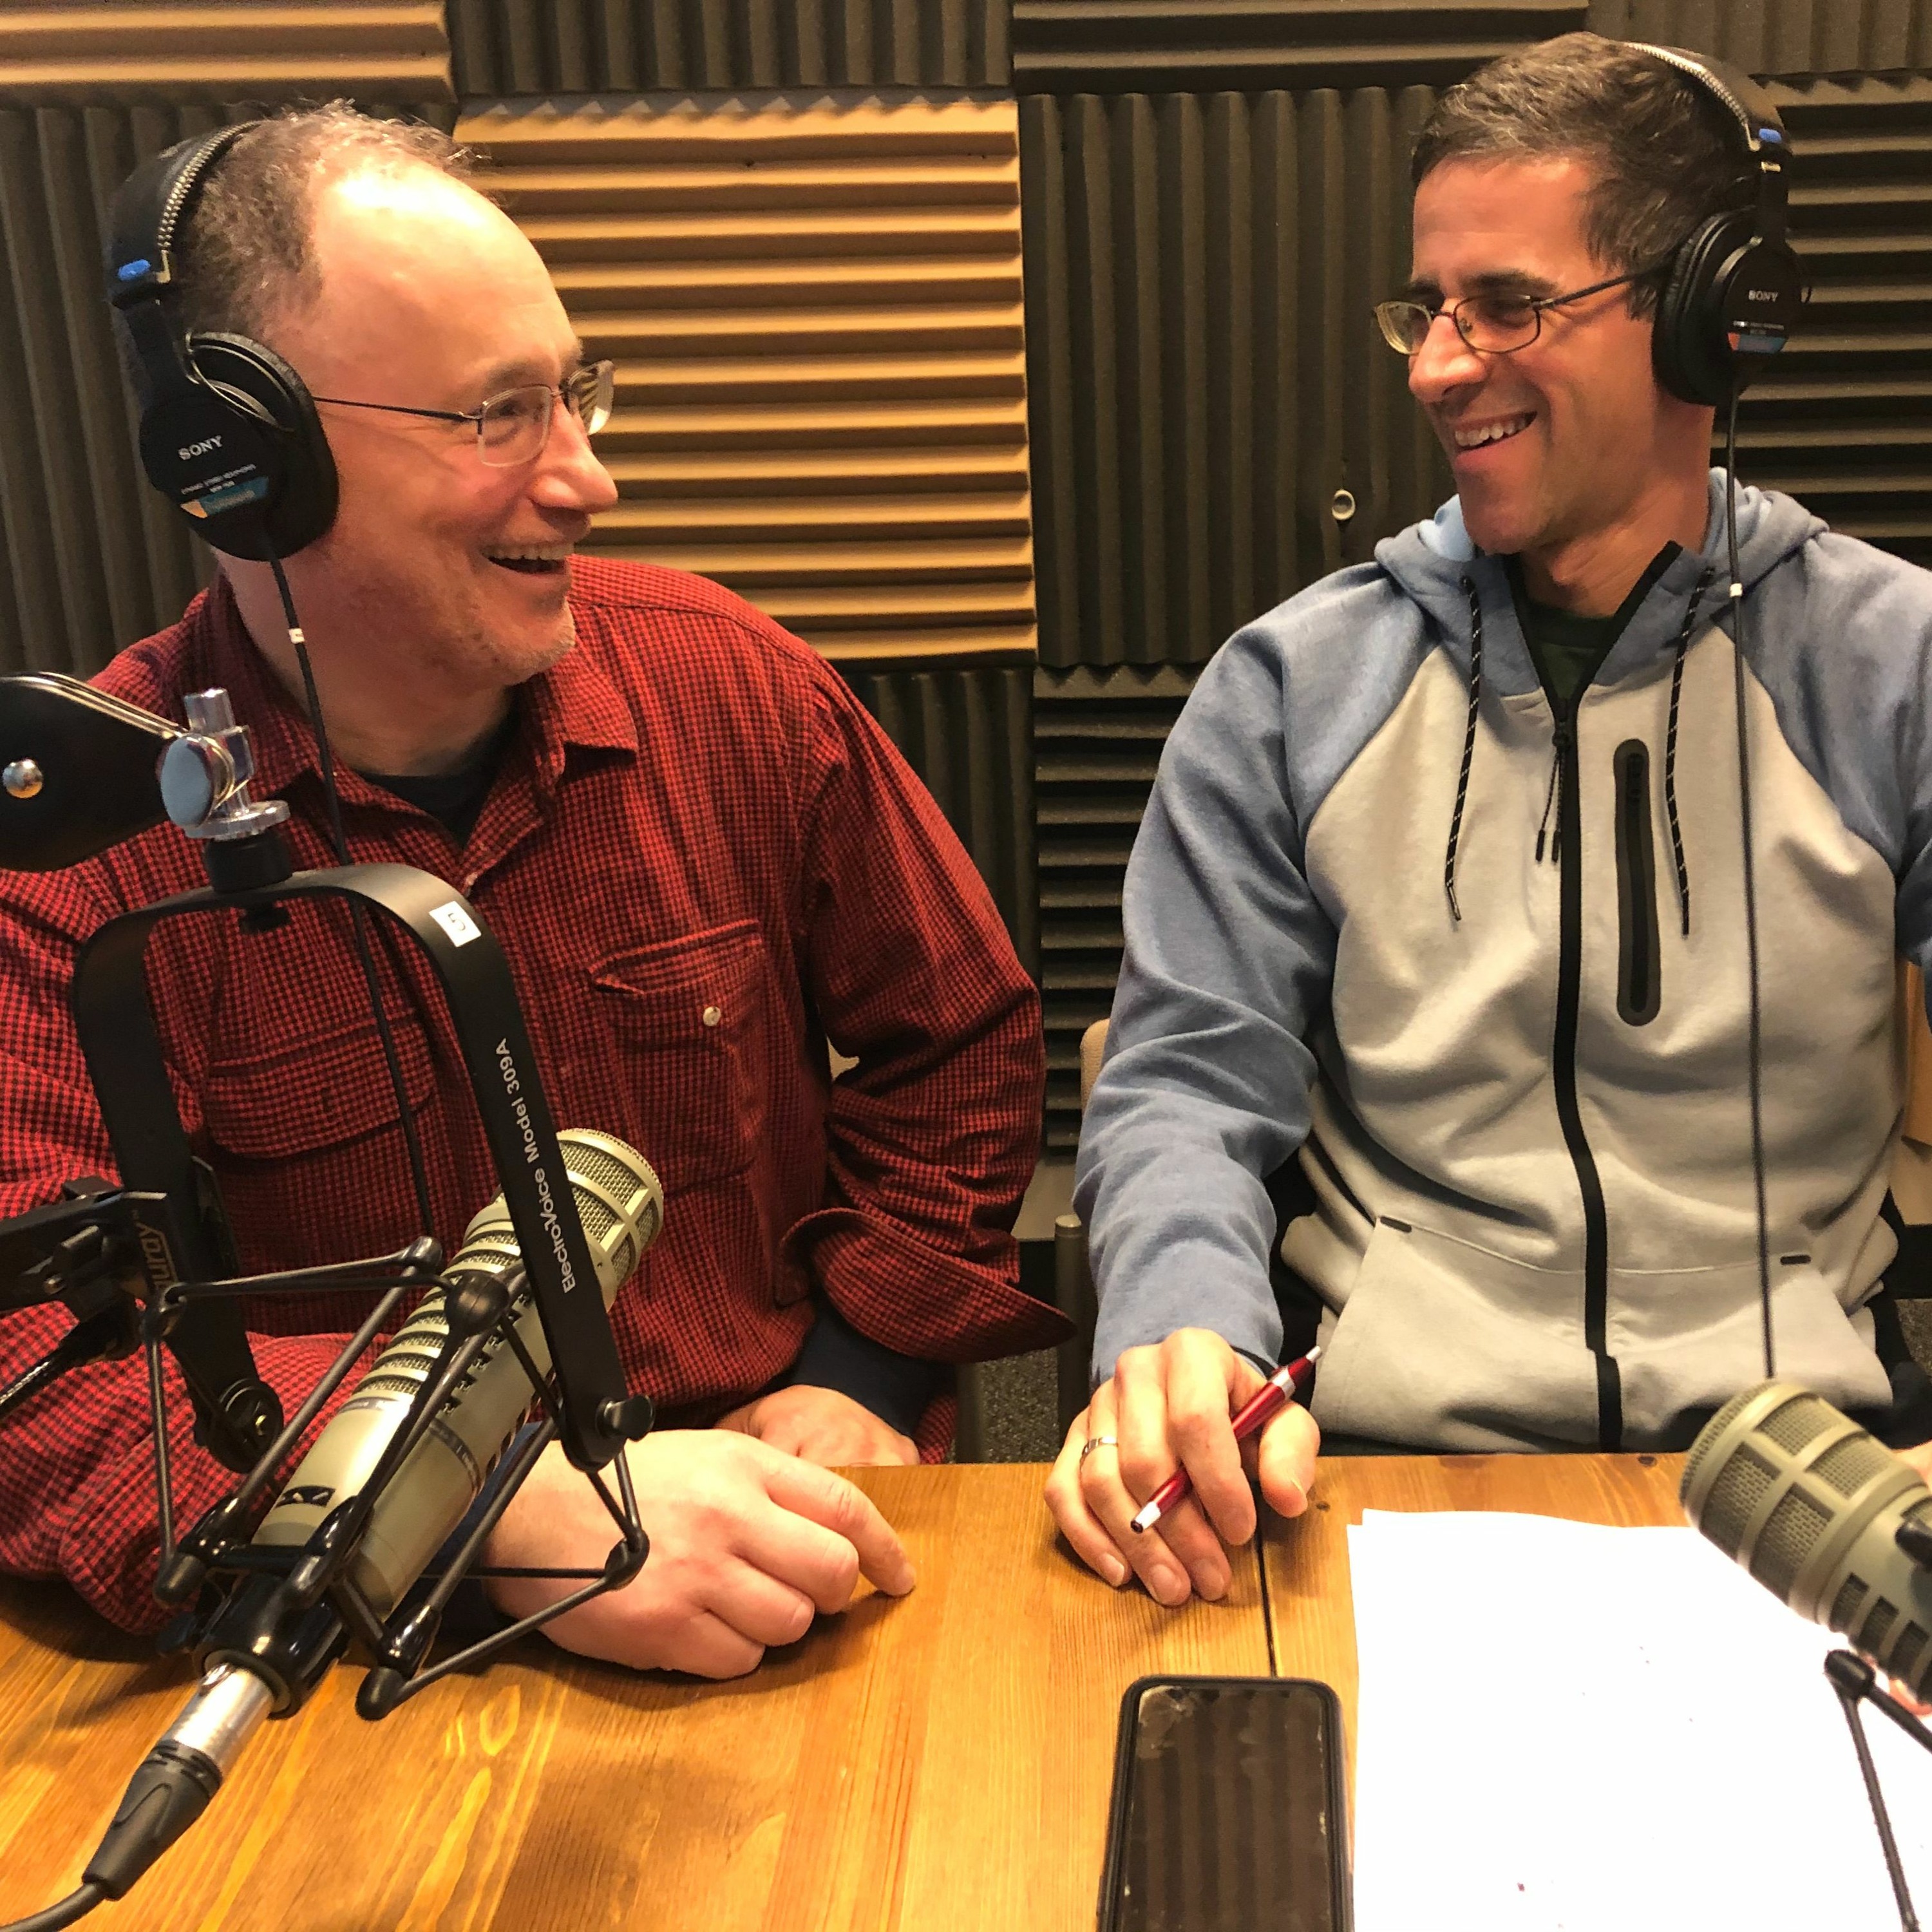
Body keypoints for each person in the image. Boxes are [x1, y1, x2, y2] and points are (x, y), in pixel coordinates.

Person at [0, 106, 1065, 1679]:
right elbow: (33, 1369)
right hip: (356, 1625)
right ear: (243, 465)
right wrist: (483, 1505)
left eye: (576, 394)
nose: (589, 480)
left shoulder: (733, 687)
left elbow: (961, 1044)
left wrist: (858, 1367)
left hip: (787, 1537)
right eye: (498, 415)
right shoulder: (80, 865)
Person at [1048, 32, 1932, 1608]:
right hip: (1375, 1479)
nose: (1437, 366)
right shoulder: (1291, 688)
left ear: (1706, 316)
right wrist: (1179, 1329)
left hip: (1805, 1481)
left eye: (1508, 305)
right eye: (1429, 308)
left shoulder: (1894, 669)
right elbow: (1185, 1079)